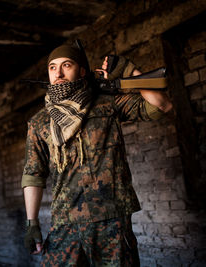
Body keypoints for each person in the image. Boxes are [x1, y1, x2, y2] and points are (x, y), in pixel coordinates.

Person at [21, 44, 173, 266]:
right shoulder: (40, 122)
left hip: (112, 218)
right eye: (52, 67)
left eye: (66, 65)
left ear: (82, 71)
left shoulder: (106, 104)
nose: (58, 73)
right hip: (65, 221)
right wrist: (31, 223)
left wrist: (130, 71)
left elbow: (162, 105)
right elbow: (34, 174)